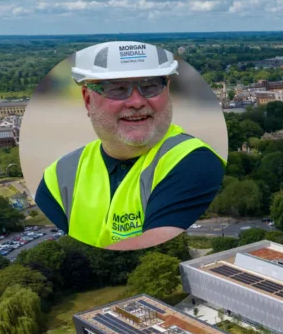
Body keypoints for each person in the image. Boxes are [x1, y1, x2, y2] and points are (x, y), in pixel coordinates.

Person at [35, 41, 224, 250]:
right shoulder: (59, 177)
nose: (136, 102)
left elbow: (158, 240)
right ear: (88, 100)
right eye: (117, 88)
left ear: (167, 91)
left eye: (150, 86)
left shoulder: (194, 161)